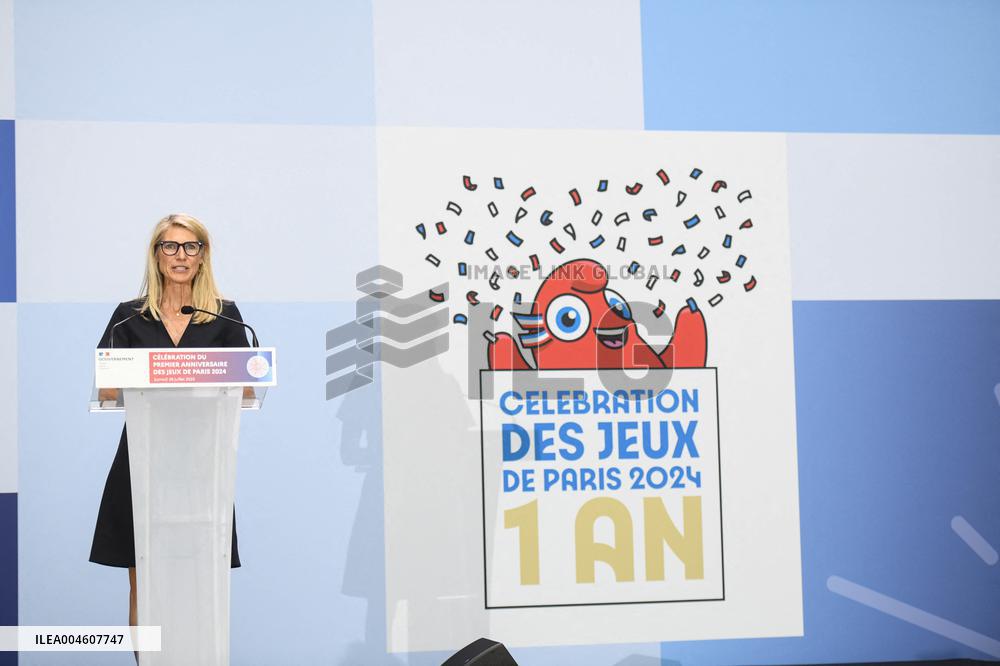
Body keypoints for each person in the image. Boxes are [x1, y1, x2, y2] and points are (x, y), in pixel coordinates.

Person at [90, 213, 249, 629]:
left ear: (202, 256)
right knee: (143, 584)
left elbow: (248, 389)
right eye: (171, 246)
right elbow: (106, 388)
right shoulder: (129, 317)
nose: (181, 255)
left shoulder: (226, 318)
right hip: (142, 464)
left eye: (190, 246)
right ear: (157, 256)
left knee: (200, 581)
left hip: (200, 467)